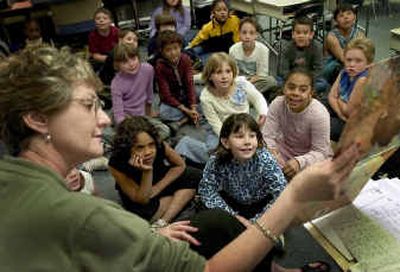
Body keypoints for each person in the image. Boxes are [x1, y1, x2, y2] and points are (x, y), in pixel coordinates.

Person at [0, 45, 361, 271]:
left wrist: (146, 235)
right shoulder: (85, 217)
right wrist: (294, 197)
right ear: (37, 119)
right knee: (220, 227)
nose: (106, 118)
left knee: (216, 223)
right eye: (88, 106)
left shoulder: (12, 177)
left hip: (163, 221)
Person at [108, 116, 200, 223]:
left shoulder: (159, 144)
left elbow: (180, 165)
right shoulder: (116, 162)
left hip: (160, 180)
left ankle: (163, 221)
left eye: (151, 145)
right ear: (128, 147)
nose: (148, 152)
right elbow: (142, 199)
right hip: (140, 192)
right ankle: (181, 199)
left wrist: (157, 188)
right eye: (140, 147)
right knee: (142, 212)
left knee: (194, 175)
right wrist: (147, 171)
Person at [199, 113, 286, 223]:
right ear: (226, 142)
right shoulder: (217, 160)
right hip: (233, 204)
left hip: (262, 203)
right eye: (240, 136)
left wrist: (256, 222)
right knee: (207, 212)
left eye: (252, 136)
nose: (247, 142)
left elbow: (281, 193)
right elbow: (207, 189)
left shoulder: (264, 158)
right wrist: (234, 217)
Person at [263, 68, 333, 180]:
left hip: (310, 157)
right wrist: (272, 152)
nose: (295, 93)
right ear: (284, 88)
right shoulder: (277, 104)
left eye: (303, 90)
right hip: (283, 152)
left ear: (311, 92)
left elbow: (321, 152)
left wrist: (299, 162)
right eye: (291, 87)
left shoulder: (319, 114)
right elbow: (267, 136)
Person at [200, 52, 268, 150]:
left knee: (264, 140)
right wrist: (231, 140)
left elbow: (257, 98)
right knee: (213, 148)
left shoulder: (241, 84)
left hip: (246, 123)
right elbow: (216, 124)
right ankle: (186, 145)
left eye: (228, 71)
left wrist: (263, 112)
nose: (224, 76)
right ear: (210, 76)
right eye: (219, 72)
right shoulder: (206, 97)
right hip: (224, 128)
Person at [328, 37, 374, 141]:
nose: (352, 64)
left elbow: (348, 112)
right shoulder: (344, 72)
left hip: (355, 125)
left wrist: (338, 99)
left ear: (368, 64)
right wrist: (340, 111)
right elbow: (331, 96)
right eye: (348, 60)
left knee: (320, 122)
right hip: (342, 114)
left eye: (358, 61)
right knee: (316, 106)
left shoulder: (362, 80)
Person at [155, 30, 199, 130]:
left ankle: (183, 120)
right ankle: (189, 117)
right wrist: (186, 110)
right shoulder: (160, 66)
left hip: (187, 95)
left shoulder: (185, 59)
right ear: (162, 51)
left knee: (206, 96)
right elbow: (166, 95)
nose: (173, 53)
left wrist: (193, 107)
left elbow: (190, 84)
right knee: (164, 113)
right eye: (168, 50)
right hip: (174, 98)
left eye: (176, 48)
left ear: (180, 47)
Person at [229, 17, 277, 101]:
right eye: (244, 33)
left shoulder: (263, 50)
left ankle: (243, 96)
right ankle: (250, 96)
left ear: (256, 35)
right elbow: (234, 73)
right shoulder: (233, 49)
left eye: (251, 33)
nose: (247, 36)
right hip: (240, 81)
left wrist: (247, 84)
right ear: (239, 34)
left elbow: (261, 74)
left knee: (271, 81)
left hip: (255, 81)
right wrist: (240, 83)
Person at [279, 16, 328, 96]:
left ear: (311, 34)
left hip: (309, 78)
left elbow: (319, 69)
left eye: (305, 33)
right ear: (293, 34)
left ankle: (296, 90)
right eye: (298, 33)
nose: (301, 36)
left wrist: (306, 81)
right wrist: (294, 80)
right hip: (291, 78)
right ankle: (305, 91)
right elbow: (283, 70)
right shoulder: (287, 47)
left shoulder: (317, 47)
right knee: (278, 82)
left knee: (323, 83)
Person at [111, 43, 154, 124]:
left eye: (133, 59)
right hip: (125, 114)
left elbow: (149, 92)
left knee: (164, 131)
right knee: (135, 133)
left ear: (138, 57)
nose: (131, 64)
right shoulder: (116, 83)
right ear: (117, 65)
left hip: (141, 113)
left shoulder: (148, 69)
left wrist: (148, 112)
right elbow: (119, 115)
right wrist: (125, 126)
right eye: (125, 62)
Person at [322, 4, 365, 84]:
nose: (346, 17)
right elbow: (343, 58)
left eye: (349, 13)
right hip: (333, 69)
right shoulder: (332, 36)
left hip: (352, 64)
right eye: (341, 16)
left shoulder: (359, 34)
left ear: (354, 17)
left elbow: (365, 54)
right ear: (336, 20)